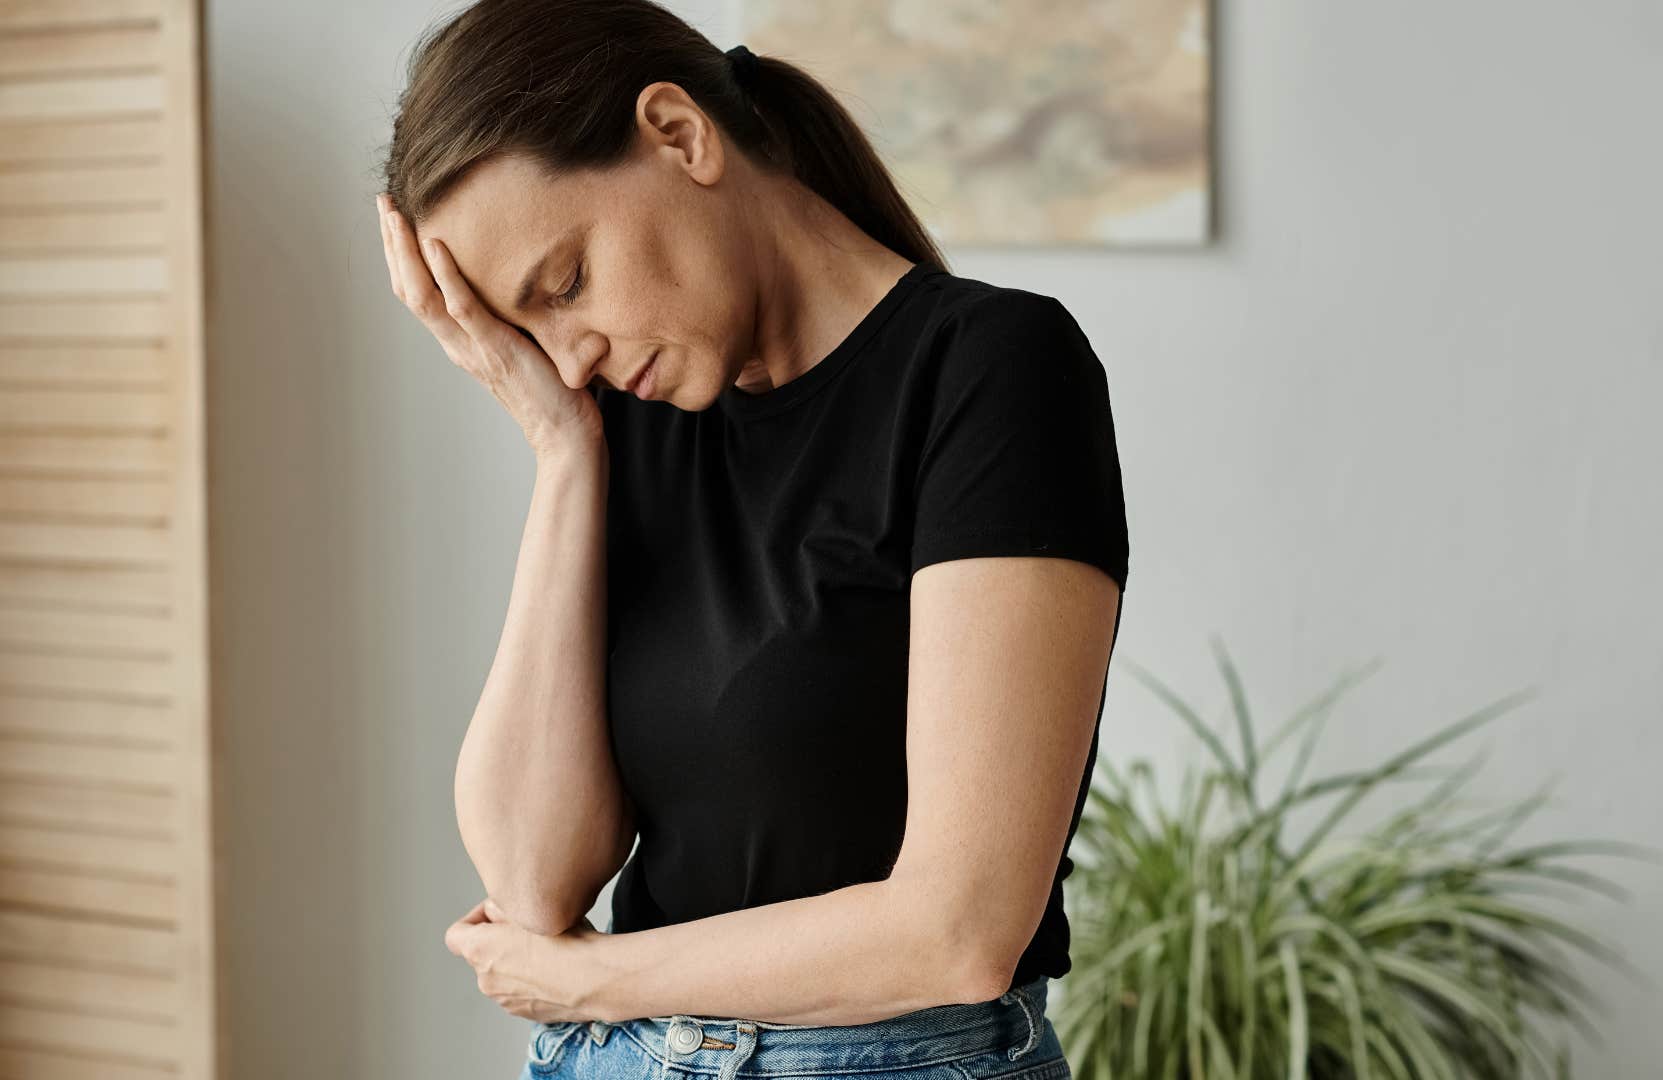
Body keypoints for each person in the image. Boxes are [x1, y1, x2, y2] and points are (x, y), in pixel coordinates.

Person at [374, 3, 1127, 1077]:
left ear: (680, 134)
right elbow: (534, 881)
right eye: (523, 330)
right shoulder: (627, 416)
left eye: (566, 284)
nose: (569, 356)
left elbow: (957, 933)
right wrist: (561, 446)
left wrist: (591, 982)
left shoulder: (991, 371)